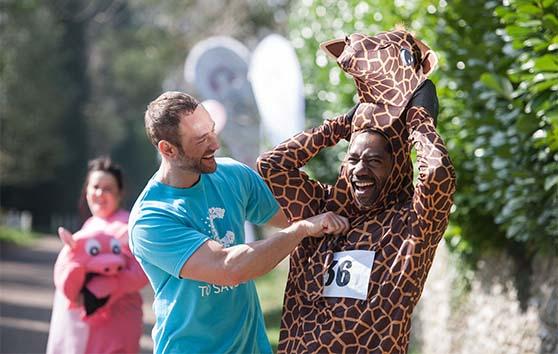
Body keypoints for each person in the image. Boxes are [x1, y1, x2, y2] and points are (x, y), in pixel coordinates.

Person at [257, 29, 456, 353]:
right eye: (353, 159)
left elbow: (436, 173)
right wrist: (342, 124)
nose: (360, 169)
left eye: (374, 161)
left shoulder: (413, 224)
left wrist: (419, 121)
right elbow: (272, 164)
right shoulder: (319, 208)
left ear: (396, 168)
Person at [128, 91, 350, 354]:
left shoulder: (233, 175)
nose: (215, 143)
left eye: (211, 130)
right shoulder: (150, 218)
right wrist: (300, 231)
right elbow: (229, 269)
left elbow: (299, 213)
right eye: (201, 139)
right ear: (168, 149)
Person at [47, 157, 148, 354]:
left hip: (111, 327)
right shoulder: (92, 224)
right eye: (95, 187)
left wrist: (95, 292)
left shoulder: (127, 227)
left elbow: (139, 273)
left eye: (108, 188)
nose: (100, 193)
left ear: (120, 193)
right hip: (81, 327)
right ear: (87, 191)